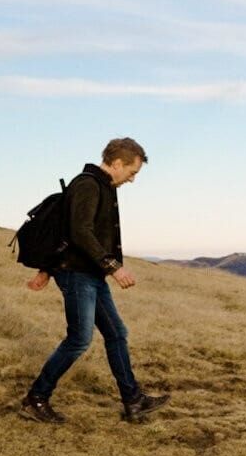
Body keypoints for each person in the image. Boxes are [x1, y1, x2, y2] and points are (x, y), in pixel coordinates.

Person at [19, 138, 170, 424]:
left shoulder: (102, 186)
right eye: (132, 172)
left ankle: (133, 400)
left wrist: (46, 271)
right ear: (116, 163)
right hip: (77, 274)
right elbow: (79, 232)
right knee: (79, 339)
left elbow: (67, 233)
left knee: (116, 333)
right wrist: (113, 267)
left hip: (89, 273)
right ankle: (35, 399)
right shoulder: (88, 185)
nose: (132, 180)